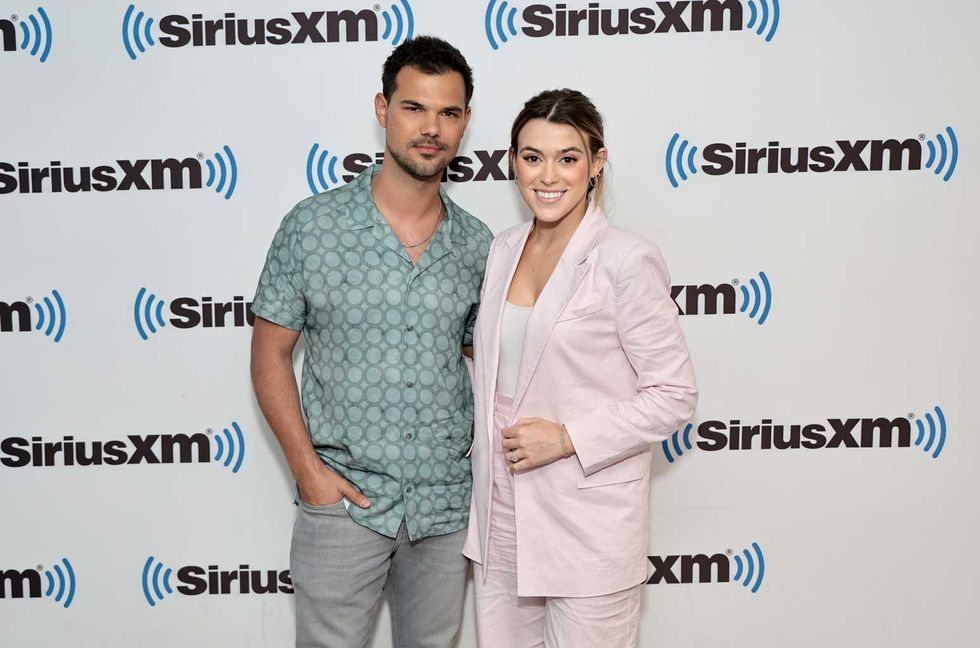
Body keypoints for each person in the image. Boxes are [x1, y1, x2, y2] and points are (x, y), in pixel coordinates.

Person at [250, 36, 492, 648]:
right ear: (383, 110)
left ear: (465, 122)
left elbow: (488, 367)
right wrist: (308, 473)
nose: (430, 128)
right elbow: (269, 353)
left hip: (443, 511)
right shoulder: (313, 226)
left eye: (448, 112)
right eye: (414, 108)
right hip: (343, 502)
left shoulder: (479, 245)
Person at [462, 89, 697, 647]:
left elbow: (673, 394)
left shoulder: (625, 258)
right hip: (500, 512)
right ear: (513, 161)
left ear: (596, 163)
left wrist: (567, 438)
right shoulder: (503, 248)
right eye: (531, 156)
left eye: (568, 158)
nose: (548, 175)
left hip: (587, 517)